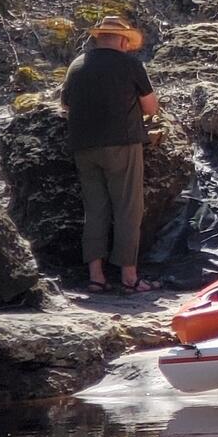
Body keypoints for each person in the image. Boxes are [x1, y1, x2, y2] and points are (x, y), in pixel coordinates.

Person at [59, 16, 160, 294]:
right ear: (124, 40)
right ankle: (129, 277)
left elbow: (66, 104)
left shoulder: (77, 66)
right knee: (128, 208)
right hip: (122, 145)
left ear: (98, 37)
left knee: (95, 210)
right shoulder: (130, 65)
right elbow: (151, 108)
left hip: (83, 147)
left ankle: (96, 277)